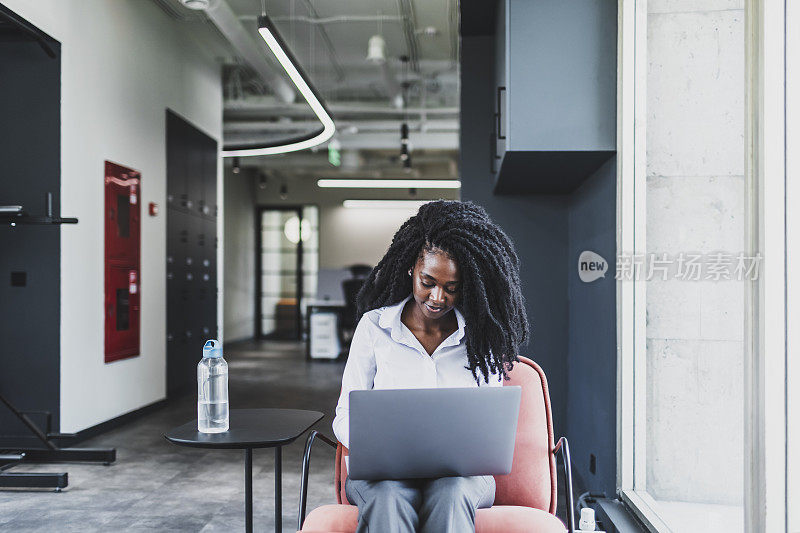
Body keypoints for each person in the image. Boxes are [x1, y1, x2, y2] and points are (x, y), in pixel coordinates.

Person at [332, 200, 530, 533]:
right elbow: (344, 414)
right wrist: (376, 450)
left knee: (451, 493)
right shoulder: (374, 327)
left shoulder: (481, 338)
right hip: (384, 478)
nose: (438, 297)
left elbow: (488, 425)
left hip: (461, 478)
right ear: (411, 268)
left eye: (451, 288)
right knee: (387, 497)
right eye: (428, 282)